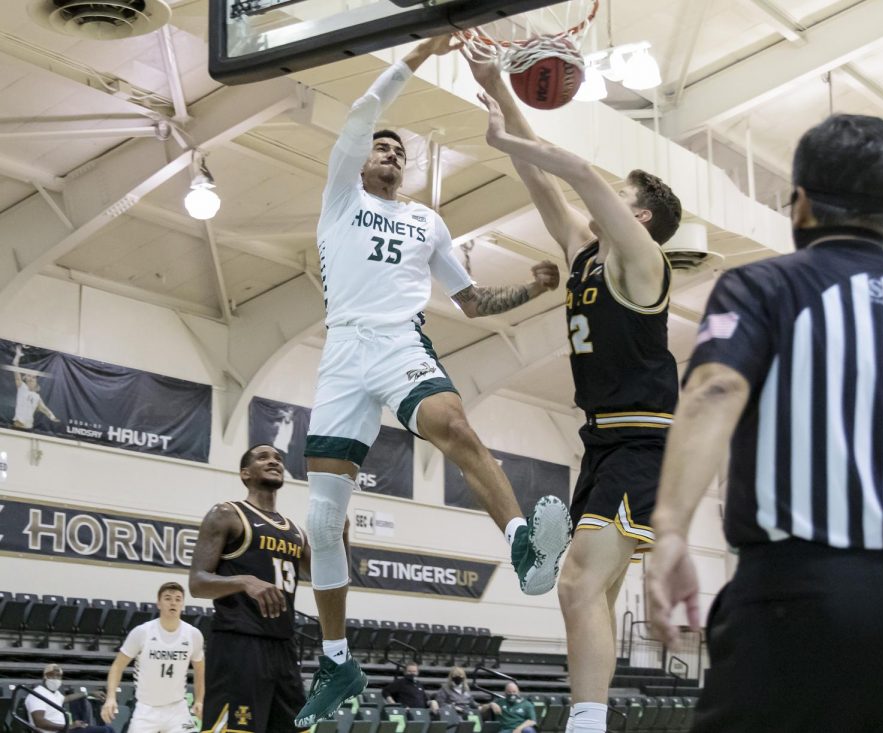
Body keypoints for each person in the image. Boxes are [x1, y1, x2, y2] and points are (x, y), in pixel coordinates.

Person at [295, 34, 572, 727]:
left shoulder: (427, 221)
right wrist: (420, 54)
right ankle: (336, 659)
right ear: (361, 159)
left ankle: (523, 544)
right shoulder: (338, 198)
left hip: (397, 343)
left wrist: (531, 289)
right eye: (380, 146)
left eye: (398, 149)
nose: (388, 152)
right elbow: (360, 111)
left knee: (452, 424)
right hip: (341, 354)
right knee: (323, 520)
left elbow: (472, 302)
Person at [647, 114, 883, 733]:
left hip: (798, 595)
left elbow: (715, 387)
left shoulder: (761, 286)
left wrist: (671, 530)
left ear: (802, 204)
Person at [470, 62, 681, 733]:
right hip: (599, 440)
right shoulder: (584, 251)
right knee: (592, 591)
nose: (604, 195)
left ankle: (585, 724)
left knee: (576, 582)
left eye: (622, 194)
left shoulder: (644, 262)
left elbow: (580, 173)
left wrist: (509, 141)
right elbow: (544, 182)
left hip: (643, 440)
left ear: (638, 215)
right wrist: (500, 90)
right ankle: (590, 717)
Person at [190, 444, 324, 733]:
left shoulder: (295, 531)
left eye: (278, 458)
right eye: (263, 457)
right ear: (245, 473)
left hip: (284, 646)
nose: (274, 461)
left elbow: (331, 579)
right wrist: (243, 581)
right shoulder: (227, 514)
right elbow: (197, 583)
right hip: (239, 642)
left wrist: (344, 536)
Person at [101, 581, 204, 732]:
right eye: (168, 598)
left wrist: (199, 700)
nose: (173, 602)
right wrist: (110, 698)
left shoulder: (193, 634)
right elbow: (117, 666)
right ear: (159, 603)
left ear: (182, 604)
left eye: (177, 599)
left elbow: (200, 670)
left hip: (177, 709)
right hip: (146, 709)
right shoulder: (142, 632)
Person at [25, 664, 113, 733]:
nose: (55, 679)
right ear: (45, 677)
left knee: (109, 729)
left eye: (58, 676)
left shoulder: (54, 693)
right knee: (105, 731)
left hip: (64, 729)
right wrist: (69, 726)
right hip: (58, 731)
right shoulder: (37, 694)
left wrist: (89, 693)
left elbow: (65, 698)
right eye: (52, 675)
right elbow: (40, 723)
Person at [11, 344, 59, 429]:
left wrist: (52, 416)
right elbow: (15, 366)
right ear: (25, 378)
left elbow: (44, 409)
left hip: (28, 428)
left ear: (36, 381)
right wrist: (18, 356)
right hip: (18, 426)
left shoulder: (37, 397)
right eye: (29, 376)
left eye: (33, 377)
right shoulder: (22, 387)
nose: (31, 378)